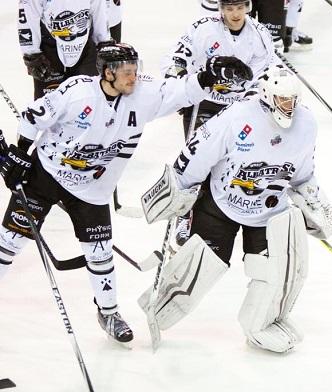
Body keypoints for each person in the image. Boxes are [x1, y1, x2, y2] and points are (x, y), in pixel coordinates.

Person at [0, 42, 252, 344]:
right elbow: (33, 117)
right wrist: (18, 153)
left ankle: (108, 312)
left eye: (135, 70)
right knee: (10, 240)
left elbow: (183, 90)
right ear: (107, 73)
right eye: (127, 72)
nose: (134, 77)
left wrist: (209, 77)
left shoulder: (143, 95)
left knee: (99, 250)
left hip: (92, 189)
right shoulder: (77, 91)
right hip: (48, 174)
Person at [138, 65, 332, 353]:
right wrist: (178, 190)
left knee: (278, 272)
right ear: (268, 97)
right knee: (198, 271)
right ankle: (158, 309)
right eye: (283, 99)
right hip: (220, 205)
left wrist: (315, 202)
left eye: (293, 99)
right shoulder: (237, 116)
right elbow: (197, 151)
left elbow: (303, 172)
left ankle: (260, 325)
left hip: (269, 212)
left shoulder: (306, 124)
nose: (289, 106)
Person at [162, 0, 276, 245]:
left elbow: (267, 74)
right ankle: (185, 216)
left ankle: (224, 215)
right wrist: (182, 83)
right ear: (221, 9)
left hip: (239, 109)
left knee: (234, 164)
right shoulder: (203, 29)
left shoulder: (260, 35)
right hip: (204, 103)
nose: (235, 14)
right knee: (196, 164)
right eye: (229, 8)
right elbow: (175, 59)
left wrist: (255, 102)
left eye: (239, 8)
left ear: (247, 7)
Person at [17, 0, 113, 99]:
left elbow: (99, 10)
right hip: (49, 51)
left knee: (88, 100)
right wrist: (32, 53)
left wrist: (104, 43)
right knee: (50, 105)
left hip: (85, 50)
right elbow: (28, 13)